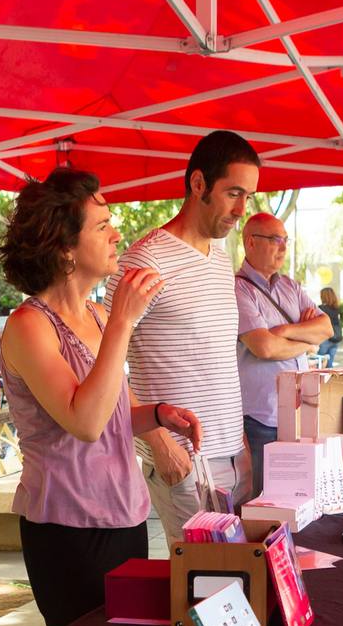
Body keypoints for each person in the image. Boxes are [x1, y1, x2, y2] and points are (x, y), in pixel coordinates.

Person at [0, 168, 202, 626]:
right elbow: (84, 422)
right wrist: (125, 323)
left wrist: (157, 415)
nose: (117, 235)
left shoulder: (98, 312)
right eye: (103, 225)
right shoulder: (30, 325)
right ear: (65, 247)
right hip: (67, 526)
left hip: (124, 513)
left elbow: (115, 414)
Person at [111, 129, 260, 539]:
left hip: (234, 453)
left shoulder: (219, 255)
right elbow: (99, 359)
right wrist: (159, 443)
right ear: (198, 184)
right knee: (207, 585)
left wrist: (240, 436)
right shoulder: (146, 259)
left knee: (239, 583)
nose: (242, 209)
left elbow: (216, 356)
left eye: (248, 196)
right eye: (233, 193)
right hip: (185, 462)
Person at [235, 212, 332, 502]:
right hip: (261, 418)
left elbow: (326, 328)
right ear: (251, 242)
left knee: (298, 499)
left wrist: (286, 329)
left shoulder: (290, 286)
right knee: (265, 501)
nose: (283, 247)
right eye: (275, 239)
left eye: (286, 240)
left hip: (299, 414)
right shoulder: (238, 289)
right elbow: (264, 348)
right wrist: (306, 340)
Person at [320, 287, 343, 366]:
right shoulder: (337, 309)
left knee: (319, 362)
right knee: (329, 363)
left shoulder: (321, 309)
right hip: (336, 339)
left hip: (325, 339)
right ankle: (331, 378)